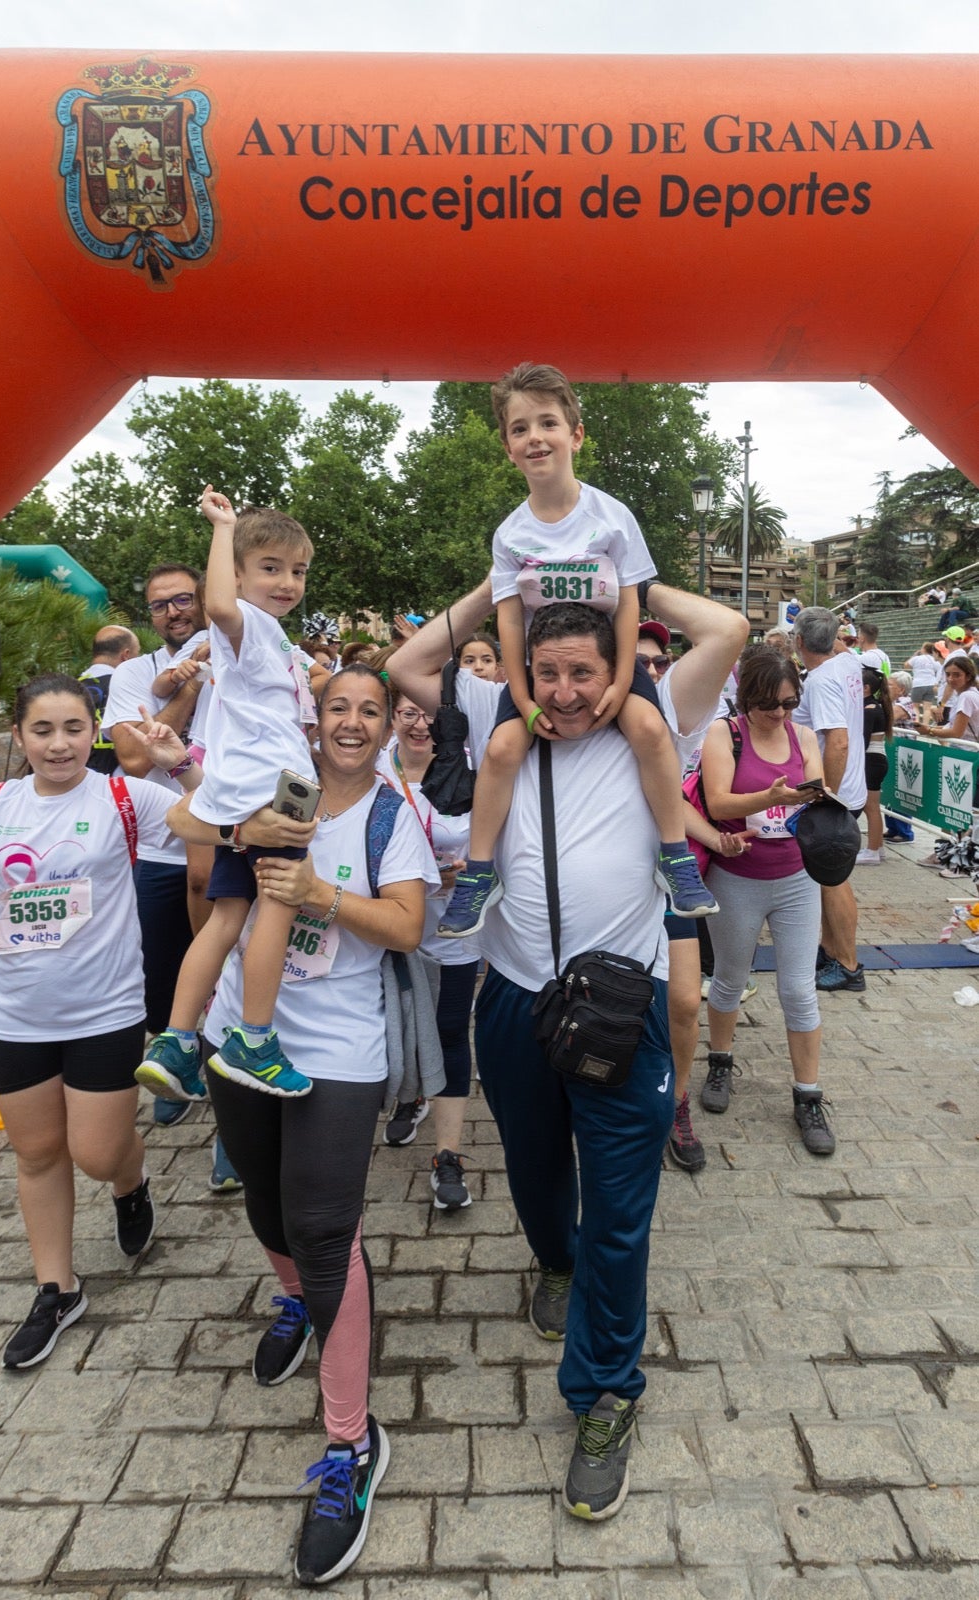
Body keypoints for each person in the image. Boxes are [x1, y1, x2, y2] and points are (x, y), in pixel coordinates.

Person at [393, 587, 677, 1524]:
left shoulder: (652, 720)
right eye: (547, 673)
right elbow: (405, 668)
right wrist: (504, 584)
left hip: (619, 1002)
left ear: (618, 669)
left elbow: (731, 630)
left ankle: (606, 1392)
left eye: (583, 674)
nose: (563, 693)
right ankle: (554, 1261)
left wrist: (611, 578)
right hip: (514, 994)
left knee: (623, 1212)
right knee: (533, 1167)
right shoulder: (497, 715)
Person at [166, 663, 438, 1585]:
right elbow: (180, 822)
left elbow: (407, 926)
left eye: (370, 710)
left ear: (386, 724)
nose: (353, 724)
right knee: (266, 1209)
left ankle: (351, 1446)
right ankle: (295, 1299)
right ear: (312, 719)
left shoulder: (392, 814)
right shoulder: (270, 783)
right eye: (339, 709)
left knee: (325, 1230)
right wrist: (240, 829)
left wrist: (318, 894)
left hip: (338, 1053)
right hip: (241, 1037)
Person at [0, 675, 201, 1369]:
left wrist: (178, 761)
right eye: (42, 730)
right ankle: (58, 1288)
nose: (59, 743)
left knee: (97, 1155)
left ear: (94, 731)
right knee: (39, 1154)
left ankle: (131, 1183)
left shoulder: (126, 797)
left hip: (104, 1010)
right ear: (18, 737)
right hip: (16, 1016)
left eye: (73, 727)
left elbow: (221, 820)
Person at [438, 361, 715, 937]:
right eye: (520, 429)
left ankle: (674, 853)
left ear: (576, 434)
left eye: (547, 423)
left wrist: (620, 683)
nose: (535, 437)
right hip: (544, 669)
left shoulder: (612, 516)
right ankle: (480, 872)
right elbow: (509, 623)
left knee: (649, 730)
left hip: (607, 662)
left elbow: (633, 604)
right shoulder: (510, 533)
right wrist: (521, 695)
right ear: (509, 448)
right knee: (500, 749)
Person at [136, 487, 319, 1104]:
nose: (288, 581)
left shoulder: (275, 644)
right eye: (270, 568)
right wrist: (225, 526)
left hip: (237, 789)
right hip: (269, 792)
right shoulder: (252, 625)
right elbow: (217, 604)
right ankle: (254, 1039)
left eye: (298, 570)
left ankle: (177, 1040)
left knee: (226, 917)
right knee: (280, 905)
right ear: (239, 575)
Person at [698, 647, 834, 1156]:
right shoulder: (724, 734)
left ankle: (808, 1096)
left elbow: (817, 786)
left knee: (799, 989)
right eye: (769, 705)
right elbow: (717, 802)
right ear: (747, 698)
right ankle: (720, 1063)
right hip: (737, 877)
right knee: (731, 977)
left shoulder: (801, 735)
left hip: (798, 878)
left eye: (789, 703)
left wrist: (817, 796)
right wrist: (770, 798)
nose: (779, 714)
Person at [634, 603, 752, 1176]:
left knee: (684, 1000)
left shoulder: (674, 723)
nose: (652, 671)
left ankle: (677, 1103)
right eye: (639, 662)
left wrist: (715, 839)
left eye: (660, 662)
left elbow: (676, 802)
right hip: (604, 890)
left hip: (667, 881)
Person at [101, 563, 213, 1130]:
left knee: (235, 961)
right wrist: (191, 684)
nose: (174, 611)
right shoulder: (131, 677)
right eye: (160, 605)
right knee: (160, 971)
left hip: (231, 843)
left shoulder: (235, 656)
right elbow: (137, 758)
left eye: (184, 599)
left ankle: (224, 1076)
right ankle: (175, 1055)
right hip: (158, 852)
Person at [380, 691, 480, 1209]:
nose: (420, 725)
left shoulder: (471, 766)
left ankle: (448, 1155)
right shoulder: (370, 773)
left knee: (446, 1030)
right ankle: (411, 1094)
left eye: (430, 716)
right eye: (408, 714)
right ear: (392, 716)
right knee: (394, 1024)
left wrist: (470, 871)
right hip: (388, 929)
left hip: (454, 930)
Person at [792, 607, 868, 994]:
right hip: (848, 787)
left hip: (835, 792)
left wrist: (826, 797)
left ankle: (849, 964)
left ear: (799, 642)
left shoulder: (821, 680)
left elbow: (837, 740)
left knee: (833, 881)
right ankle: (829, 948)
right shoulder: (848, 663)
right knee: (826, 879)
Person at [79, 626, 141, 775]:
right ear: (126, 655)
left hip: (77, 780)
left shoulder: (68, 689)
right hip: (120, 784)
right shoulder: (132, 689)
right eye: (138, 654)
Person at [857, 666, 894, 865]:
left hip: (872, 761)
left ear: (866, 688)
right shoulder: (873, 706)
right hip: (874, 760)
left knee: (870, 807)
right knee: (871, 807)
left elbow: (862, 741)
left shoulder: (869, 709)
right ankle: (877, 847)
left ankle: (872, 851)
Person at [905, 643, 944, 707]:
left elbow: (906, 666)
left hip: (918, 684)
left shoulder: (916, 658)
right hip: (931, 684)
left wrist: (914, 656)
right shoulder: (934, 659)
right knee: (927, 708)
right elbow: (939, 669)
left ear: (924, 649)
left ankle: (916, 717)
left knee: (915, 707)